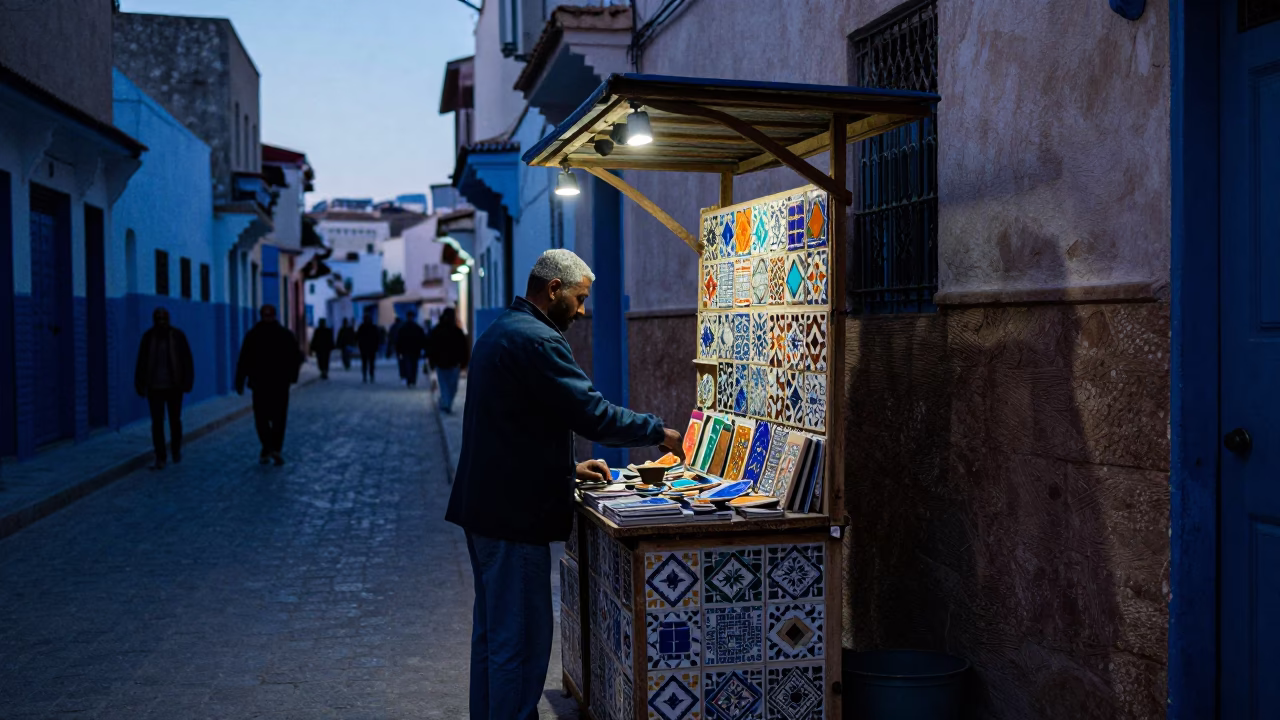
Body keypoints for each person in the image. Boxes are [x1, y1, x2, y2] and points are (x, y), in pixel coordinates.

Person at [446, 249, 685, 720]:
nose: (581, 310)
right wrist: (658, 432)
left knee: (494, 639)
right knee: (520, 641)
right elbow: (591, 413)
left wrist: (567, 468)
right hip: (512, 520)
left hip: (487, 510)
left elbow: (510, 426)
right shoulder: (539, 340)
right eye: (578, 298)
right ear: (553, 289)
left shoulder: (501, 330)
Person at [235, 305, 304, 465]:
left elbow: (295, 357)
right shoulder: (262, 335)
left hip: (273, 383)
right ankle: (271, 448)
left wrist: (292, 376)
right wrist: (240, 380)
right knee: (267, 418)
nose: (267, 318)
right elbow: (244, 359)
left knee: (270, 418)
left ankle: (271, 448)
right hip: (267, 384)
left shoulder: (257, 335)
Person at [133, 307, 194, 469]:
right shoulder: (148, 337)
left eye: (164, 318)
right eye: (158, 318)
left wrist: (187, 382)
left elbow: (187, 360)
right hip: (155, 388)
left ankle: (175, 450)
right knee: (157, 423)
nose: (161, 322)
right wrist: (140, 383)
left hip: (174, 386)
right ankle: (160, 456)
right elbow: (141, 362)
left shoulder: (177, 336)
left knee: (175, 421)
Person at [425, 307, 469, 413]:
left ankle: (446, 402)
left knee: (450, 386)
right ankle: (446, 403)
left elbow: (464, 348)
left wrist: (464, 362)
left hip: (450, 363)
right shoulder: (442, 331)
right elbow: (431, 347)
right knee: (447, 386)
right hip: (445, 363)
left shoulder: (455, 332)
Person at [395, 311, 427, 387]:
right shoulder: (412, 328)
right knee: (411, 365)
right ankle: (411, 379)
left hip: (412, 349)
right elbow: (399, 340)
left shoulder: (408, 328)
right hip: (410, 349)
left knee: (412, 365)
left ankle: (411, 379)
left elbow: (422, 339)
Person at [357, 313, 381, 383]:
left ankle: (369, 375)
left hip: (368, 347)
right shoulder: (370, 327)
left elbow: (376, 338)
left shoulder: (363, 327)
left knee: (368, 363)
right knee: (368, 363)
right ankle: (368, 375)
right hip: (368, 347)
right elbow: (377, 338)